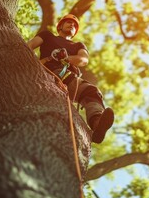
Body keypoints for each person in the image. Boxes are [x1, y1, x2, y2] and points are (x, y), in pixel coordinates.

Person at [27, 14, 114, 144]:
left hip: (70, 78)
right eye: (68, 22)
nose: (72, 25)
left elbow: (83, 60)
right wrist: (38, 64)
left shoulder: (78, 45)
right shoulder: (47, 36)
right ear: (60, 26)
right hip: (49, 72)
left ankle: (97, 124)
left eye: (74, 25)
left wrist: (66, 58)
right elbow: (29, 47)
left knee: (92, 91)